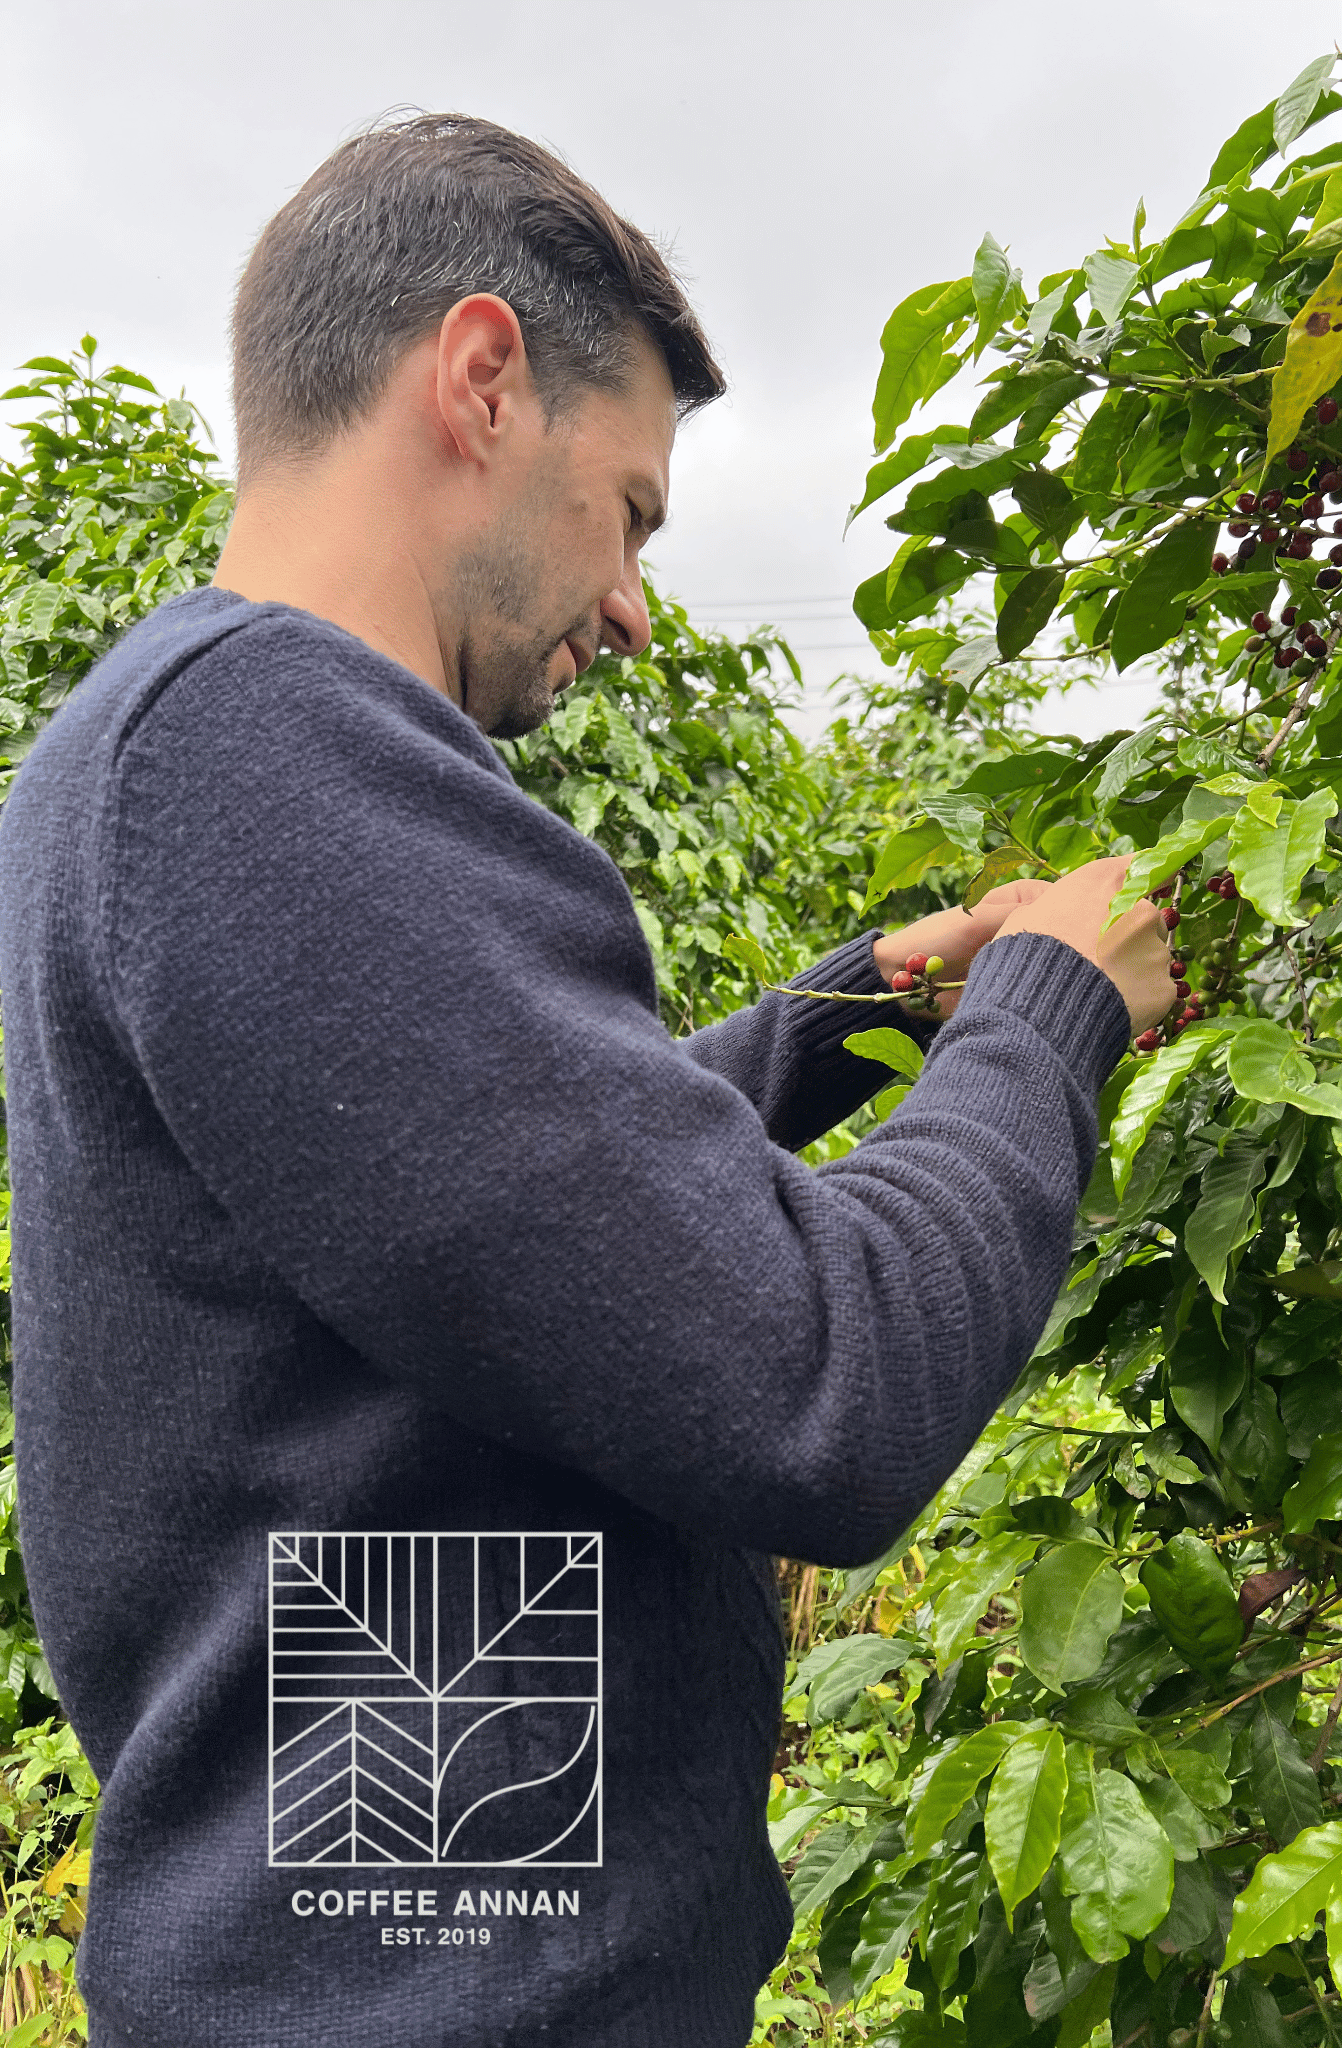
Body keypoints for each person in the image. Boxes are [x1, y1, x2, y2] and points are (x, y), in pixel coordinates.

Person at [0, 115, 1173, 2048]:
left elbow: (467, 1206)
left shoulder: (147, 753)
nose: (633, 604)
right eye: (629, 511)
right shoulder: (271, 757)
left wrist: (834, 1025)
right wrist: (1052, 1012)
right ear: (480, 382)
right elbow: (817, 1384)